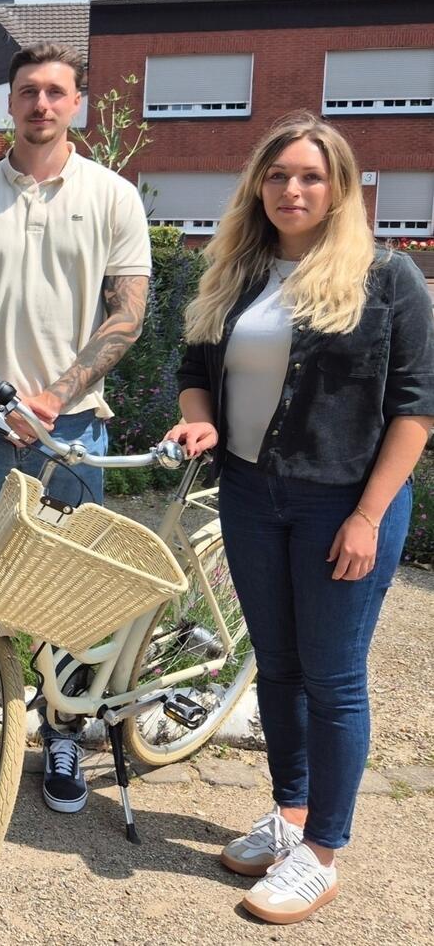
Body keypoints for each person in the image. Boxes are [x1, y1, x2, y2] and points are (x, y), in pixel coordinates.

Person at [165, 112, 433, 924]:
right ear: (259, 185)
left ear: (340, 187)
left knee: (334, 677)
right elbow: (193, 368)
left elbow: (416, 411)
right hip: (251, 494)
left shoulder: (390, 279)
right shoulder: (238, 274)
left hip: (343, 504)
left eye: (310, 176)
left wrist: (368, 514)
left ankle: (323, 851)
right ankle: (290, 815)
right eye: (278, 175)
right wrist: (201, 416)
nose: (292, 189)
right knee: (275, 666)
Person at [0, 43, 151, 809]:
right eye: (28, 91)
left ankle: (59, 736)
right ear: (8, 103)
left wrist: (51, 396)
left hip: (73, 431)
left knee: (68, 592)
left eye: (56, 92)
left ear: (76, 104)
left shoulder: (115, 198)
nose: (41, 105)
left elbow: (128, 314)